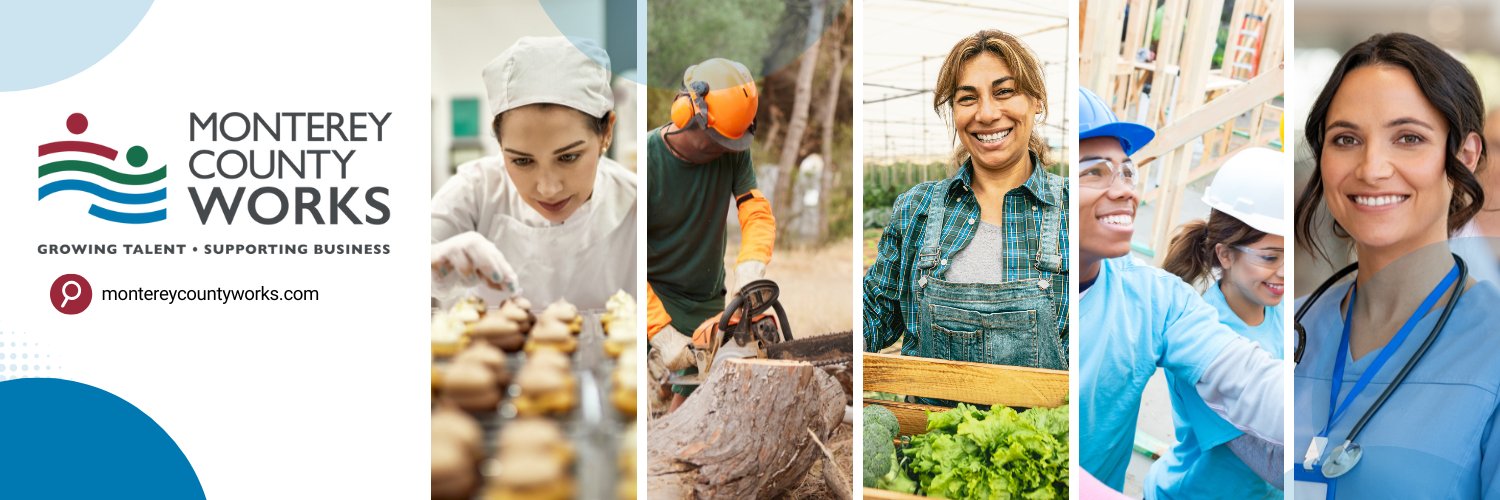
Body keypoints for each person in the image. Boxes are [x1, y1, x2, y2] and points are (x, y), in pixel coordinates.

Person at [1292, 32, 1500, 499]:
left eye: (1408, 138)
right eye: (1345, 139)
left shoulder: (1492, 348)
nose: (1372, 168)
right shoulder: (1288, 328)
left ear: (1464, 157)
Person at [1076, 86, 1284, 491]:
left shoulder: (1160, 301)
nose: (1125, 190)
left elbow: (1248, 379)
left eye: (1127, 170)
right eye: (1093, 171)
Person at [862, 30, 1068, 400]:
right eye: (967, 98)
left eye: (1004, 92)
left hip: (1047, 451)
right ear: (954, 112)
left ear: (1037, 101)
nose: (987, 114)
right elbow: (875, 313)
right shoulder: (918, 209)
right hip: (930, 445)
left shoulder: (1072, 209)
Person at [430, 37, 635, 311]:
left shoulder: (638, 204)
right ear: (499, 141)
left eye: (568, 157)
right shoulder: (475, 191)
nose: (548, 188)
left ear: (606, 132)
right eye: (522, 161)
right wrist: (432, 261)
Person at [1146, 148, 1288, 499]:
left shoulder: (1279, 309)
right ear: (1225, 254)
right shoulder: (1200, 336)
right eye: (1270, 257)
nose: (1284, 272)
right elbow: (1266, 457)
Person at [644, 58, 776, 412]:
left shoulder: (733, 149)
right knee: (639, 406)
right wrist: (659, 331)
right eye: (717, 143)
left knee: (696, 401)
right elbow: (620, 256)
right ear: (686, 113)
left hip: (703, 295)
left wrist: (751, 263)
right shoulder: (645, 163)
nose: (725, 153)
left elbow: (754, 210)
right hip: (647, 291)